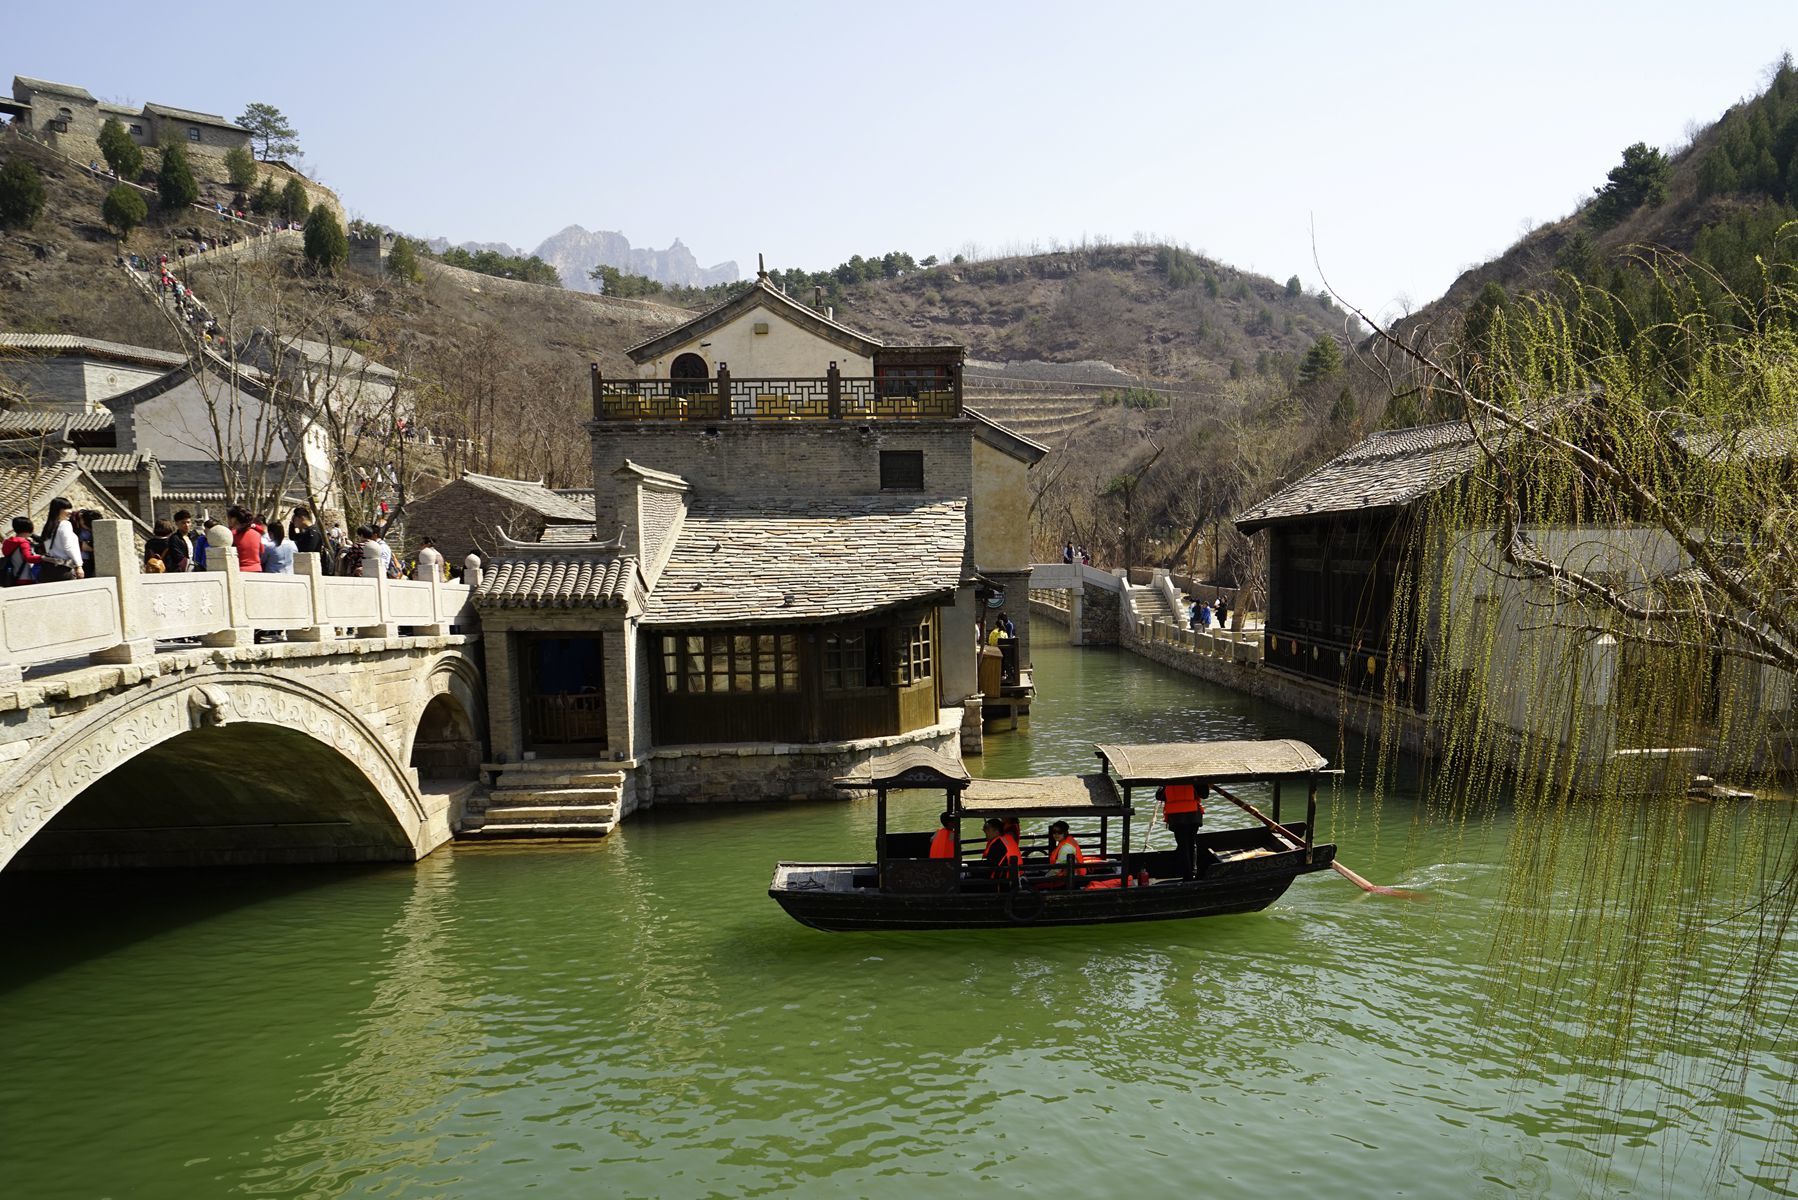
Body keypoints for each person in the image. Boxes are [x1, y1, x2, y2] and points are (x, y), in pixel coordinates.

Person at [1159, 781, 1209, 879]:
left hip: (1176, 817)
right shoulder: (1194, 779)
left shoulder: (1166, 779)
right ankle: (1193, 872)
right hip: (1192, 816)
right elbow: (1204, 794)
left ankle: (1187, 875)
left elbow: (1159, 796)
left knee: (1183, 845)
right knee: (1191, 843)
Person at [40, 497, 82, 581]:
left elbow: (47, 547)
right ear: (58, 510)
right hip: (63, 568)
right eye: (66, 508)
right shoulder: (65, 524)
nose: (70, 511)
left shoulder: (49, 526)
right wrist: (79, 565)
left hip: (48, 569)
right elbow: (69, 546)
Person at [1043, 820, 1089, 888]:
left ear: (1065, 832)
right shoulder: (1067, 841)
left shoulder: (1066, 847)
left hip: (1071, 879)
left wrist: (1045, 877)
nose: (1056, 834)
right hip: (1072, 874)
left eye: (1059, 832)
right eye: (1054, 832)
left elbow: (1057, 869)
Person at [981, 818, 1022, 888]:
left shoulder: (997, 844)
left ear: (997, 832)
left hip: (1003, 883)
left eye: (988, 830)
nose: (986, 833)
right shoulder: (1007, 839)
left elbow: (990, 868)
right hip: (1017, 877)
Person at [2, 517, 42, 585]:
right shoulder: (23, 543)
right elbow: (29, 558)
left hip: (13, 576)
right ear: (29, 528)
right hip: (26, 577)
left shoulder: (8, 542)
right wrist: (43, 558)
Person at [287, 506, 328, 573]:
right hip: (304, 568)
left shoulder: (312, 533)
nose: (294, 522)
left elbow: (309, 551)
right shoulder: (306, 532)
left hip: (310, 569)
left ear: (301, 518)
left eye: (294, 519)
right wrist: (291, 524)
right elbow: (292, 537)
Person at [227, 506, 262, 572]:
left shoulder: (231, 535)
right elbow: (261, 552)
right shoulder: (257, 534)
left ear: (234, 519)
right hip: (257, 570)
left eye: (229, 518)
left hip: (239, 571)